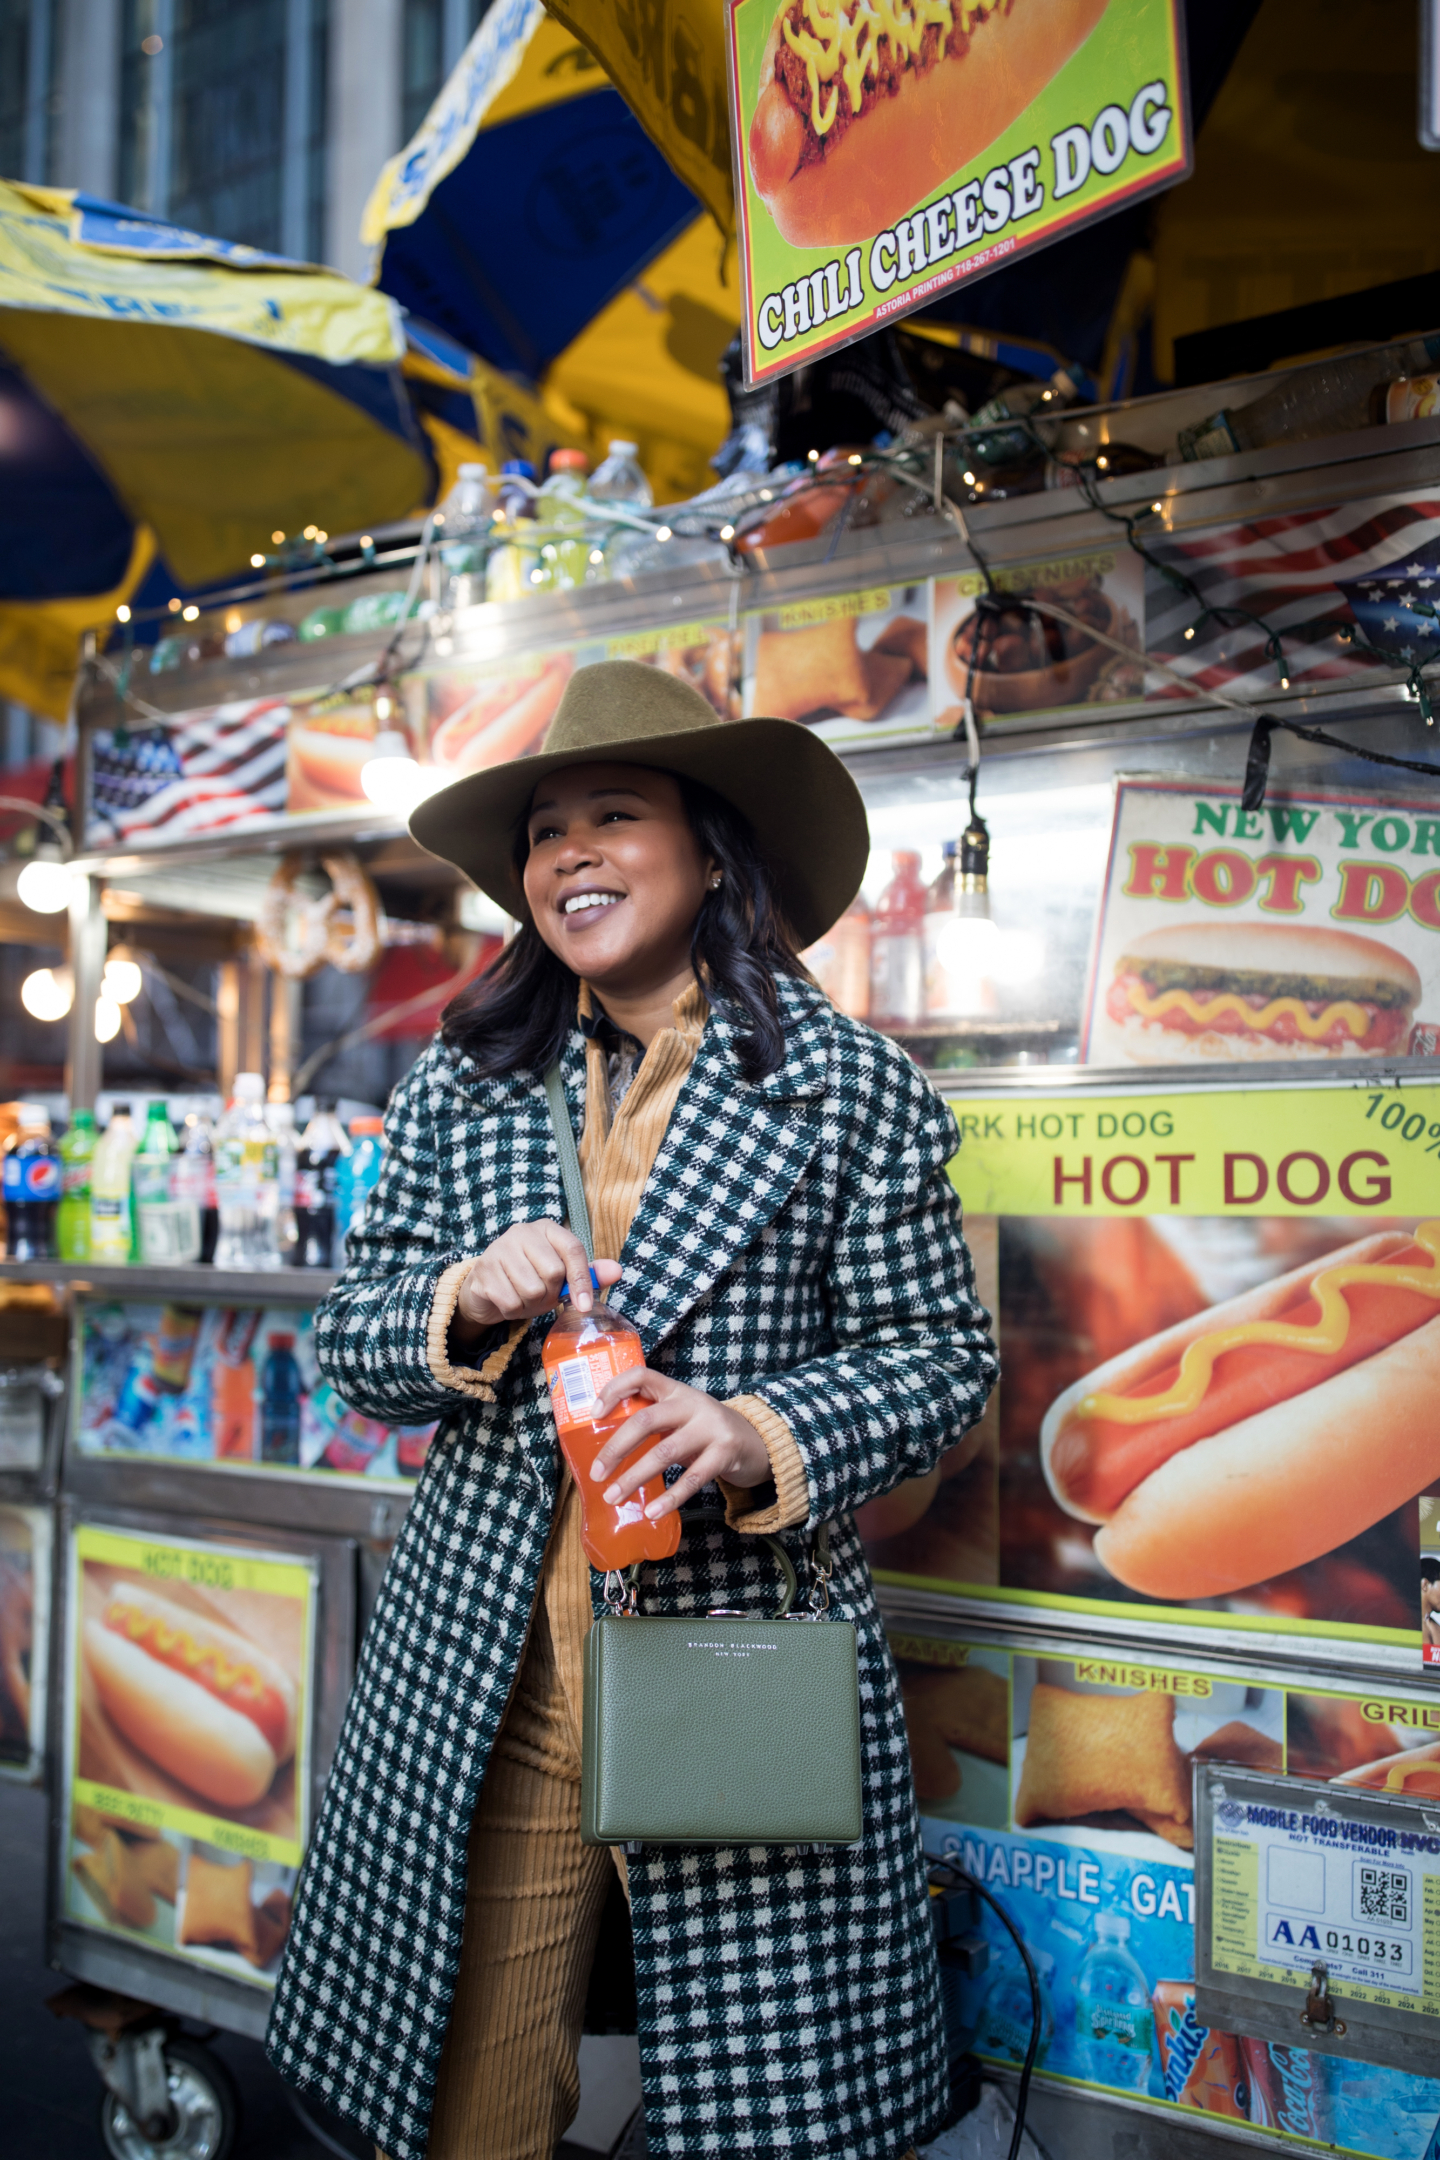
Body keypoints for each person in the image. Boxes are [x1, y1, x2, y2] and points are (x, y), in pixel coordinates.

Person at [266, 661, 998, 2160]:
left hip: (739, 1663)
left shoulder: (851, 1089)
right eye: (545, 832)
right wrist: (458, 1297)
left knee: (763, 2106)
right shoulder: (464, 1086)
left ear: (712, 848)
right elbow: (348, 1341)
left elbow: (940, 1356)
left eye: (615, 815)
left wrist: (757, 1434)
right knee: (462, 2086)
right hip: (498, 1673)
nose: (569, 856)